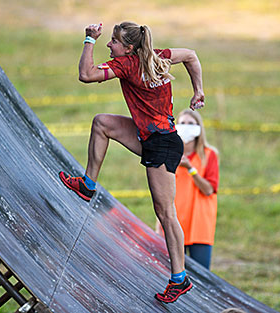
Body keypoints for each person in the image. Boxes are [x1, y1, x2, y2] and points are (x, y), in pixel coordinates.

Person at [58, 21, 205, 303]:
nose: (108, 45)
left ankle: (179, 278)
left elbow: (86, 75)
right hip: (153, 137)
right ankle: (88, 185)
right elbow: (191, 55)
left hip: (160, 144)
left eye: (113, 41)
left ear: (128, 48)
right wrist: (198, 90)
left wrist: (89, 39)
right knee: (102, 123)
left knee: (166, 214)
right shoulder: (157, 56)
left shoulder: (126, 65)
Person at [155, 109, 219, 270]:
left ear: (199, 128)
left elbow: (209, 190)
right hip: (175, 222)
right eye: (182, 123)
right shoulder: (169, 154)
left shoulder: (209, 155)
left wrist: (191, 169)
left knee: (201, 275)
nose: (186, 126)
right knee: (172, 272)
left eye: (191, 123)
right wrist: (159, 226)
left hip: (200, 225)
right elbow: (162, 193)